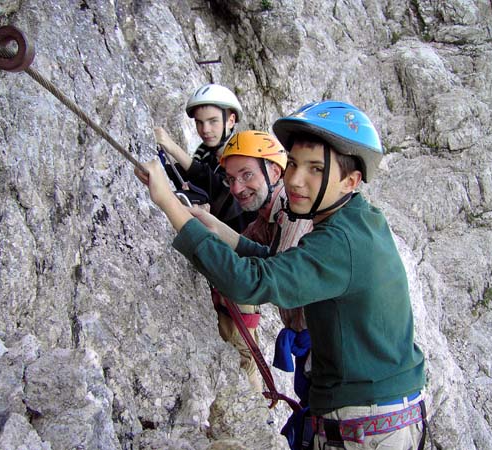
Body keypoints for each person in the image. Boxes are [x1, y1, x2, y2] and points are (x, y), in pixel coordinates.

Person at [136, 100, 427, 450]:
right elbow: (278, 262)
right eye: (292, 163)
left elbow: (253, 282)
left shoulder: (341, 241)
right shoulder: (357, 221)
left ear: (350, 181)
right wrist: (218, 230)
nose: (294, 179)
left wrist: (168, 203)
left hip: (367, 428)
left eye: (316, 169)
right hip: (372, 417)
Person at [211, 129, 289, 392]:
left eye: (247, 175)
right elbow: (240, 246)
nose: (237, 188)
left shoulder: (292, 216)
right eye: (231, 179)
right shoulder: (264, 221)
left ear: (275, 172)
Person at [154, 83, 256, 232]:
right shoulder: (205, 152)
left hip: (243, 239)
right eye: (199, 122)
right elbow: (188, 174)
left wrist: (173, 148)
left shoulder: (244, 154)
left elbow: (219, 188)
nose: (205, 130)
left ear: (230, 120)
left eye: (213, 121)